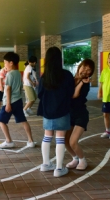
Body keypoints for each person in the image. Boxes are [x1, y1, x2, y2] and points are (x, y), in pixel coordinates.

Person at [37, 47, 74, 177]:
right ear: (60, 59)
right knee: (60, 138)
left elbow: (39, 94)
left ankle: (46, 164)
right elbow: (71, 93)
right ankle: (58, 168)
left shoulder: (44, 77)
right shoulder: (67, 75)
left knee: (47, 136)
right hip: (62, 111)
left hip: (47, 111)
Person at [0, 52, 35, 149]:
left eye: (5, 63)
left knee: (1, 121)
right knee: (23, 120)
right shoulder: (18, 72)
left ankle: (9, 141)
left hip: (10, 101)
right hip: (18, 100)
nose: (4, 65)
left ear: (11, 63)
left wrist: (8, 103)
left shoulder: (10, 74)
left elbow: (8, 88)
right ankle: (30, 141)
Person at [65, 59, 95, 171]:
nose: (86, 71)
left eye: (89, 70)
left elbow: (74, 95)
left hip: (81, 115)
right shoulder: (70, 79)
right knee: (65, 140)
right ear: (79, 66)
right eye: (84, 67)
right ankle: (75, 158)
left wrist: (82, 82)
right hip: (70, 114)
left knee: (73, 141)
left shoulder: (86, 83)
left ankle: (83, 160)